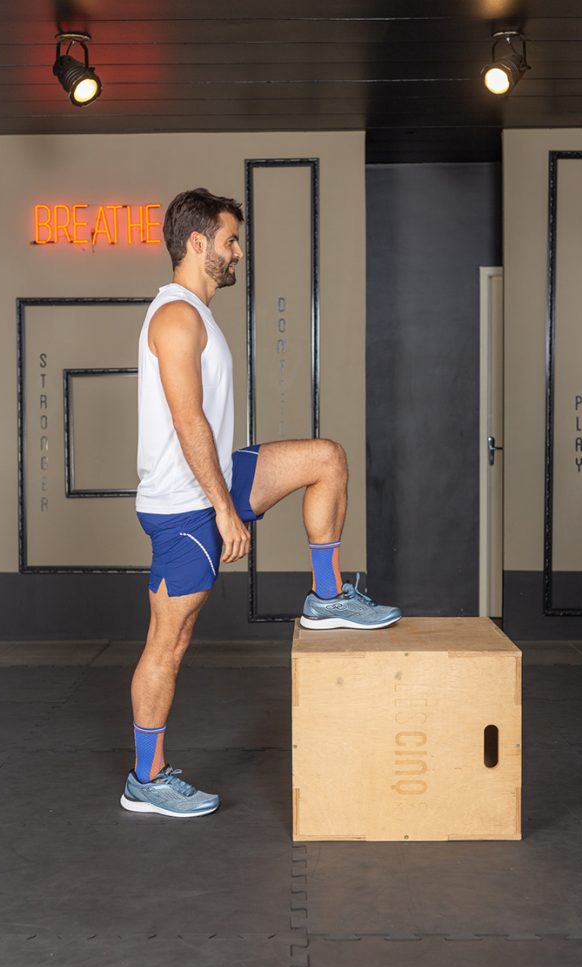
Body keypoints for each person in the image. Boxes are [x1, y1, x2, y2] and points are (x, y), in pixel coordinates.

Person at [120, 188, 401, 819]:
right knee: (171, 641)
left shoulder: (197, 312)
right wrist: (223, 508)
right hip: (184, 506)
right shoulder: (174, 318)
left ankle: (326, 597)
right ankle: (147, 778)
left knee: (326, 457)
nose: (237, 251)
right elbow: (187, 418)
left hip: (215, 478)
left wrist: (224, 492)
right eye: (230, 240)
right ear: (198, 243)